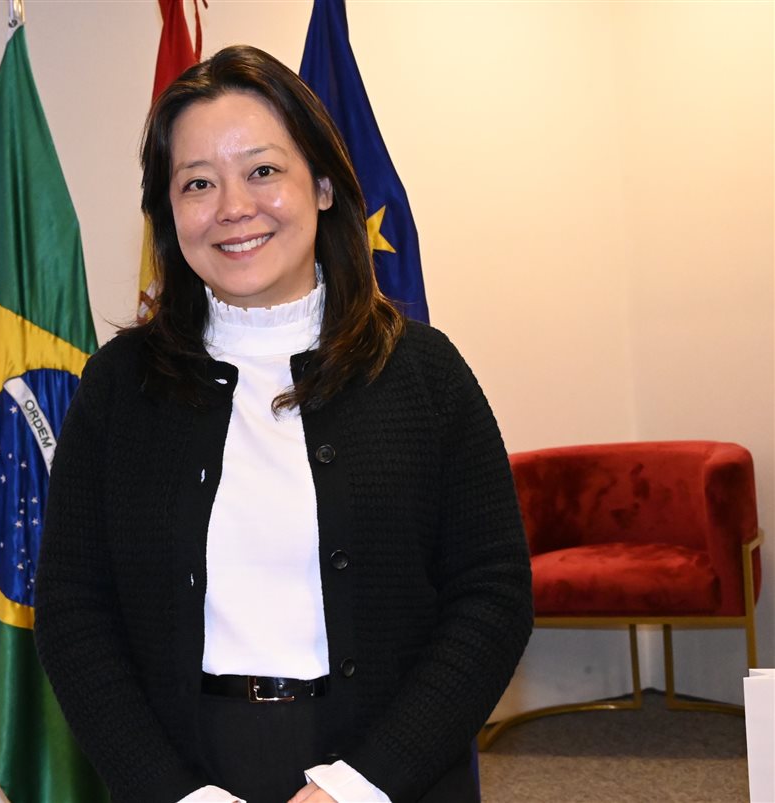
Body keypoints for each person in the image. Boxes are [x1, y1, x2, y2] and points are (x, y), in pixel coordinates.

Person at [34, 44, 532, 803]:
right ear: (168, 213)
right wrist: (175, 793)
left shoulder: (423, 373)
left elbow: (493, 597)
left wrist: (361, 786)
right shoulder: (118, 389)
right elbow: (73, 611)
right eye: (198, 182)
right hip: (187, 773)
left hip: (389, 774)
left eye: (263, 170)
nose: (234, 206)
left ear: (325, 184)